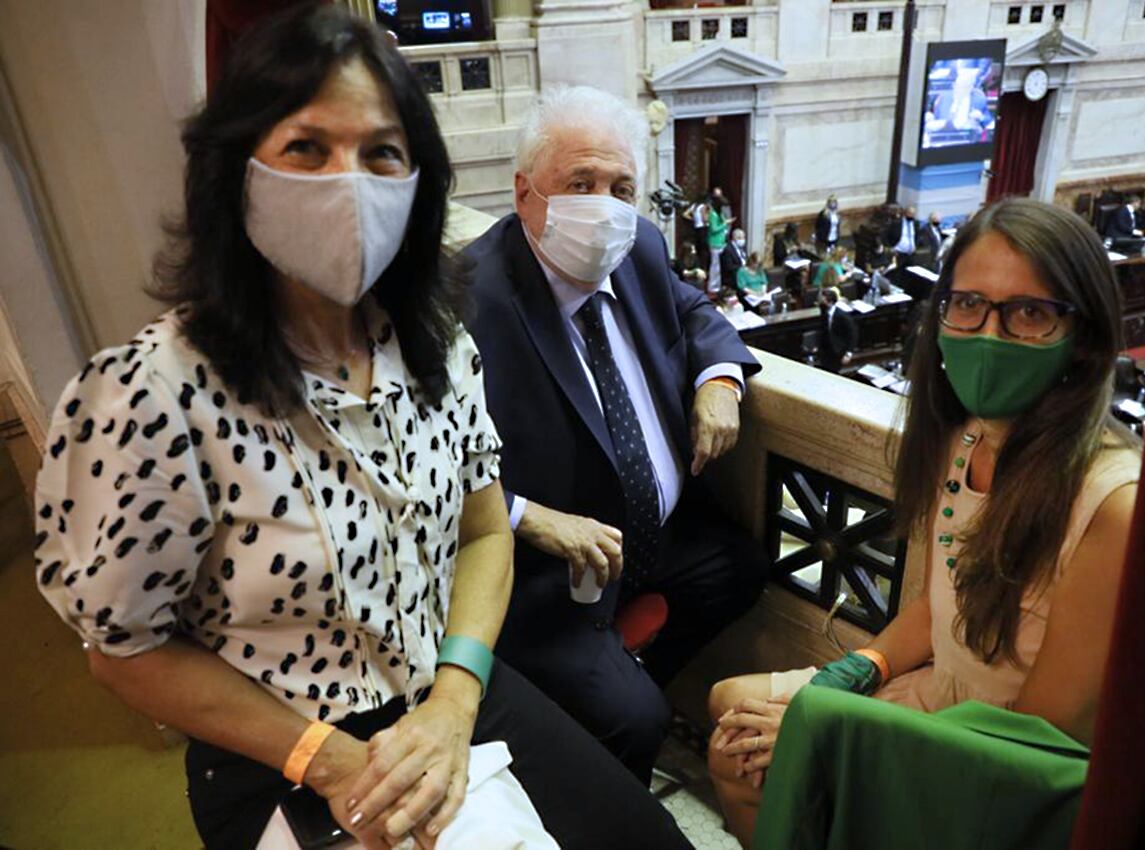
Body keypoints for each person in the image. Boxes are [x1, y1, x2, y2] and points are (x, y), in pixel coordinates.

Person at [31, 8, 692, 850]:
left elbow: (483, 531)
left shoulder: (439, 348)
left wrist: (455, 698)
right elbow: (122, 650)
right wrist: (334, 762)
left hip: (451, 690)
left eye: (382, 153)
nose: (349, 183)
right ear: (237, 172)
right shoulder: (151, 396)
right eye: (307, 148)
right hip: (278, 745)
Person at [706, 198, 1142, 848]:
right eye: (968, 305)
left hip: (998, 757)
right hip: (939, 700)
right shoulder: (964, 440)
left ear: (1082, 336)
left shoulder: (1112, 504)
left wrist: (833, 733)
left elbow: (1043, 738)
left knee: (742, 755)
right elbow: (938, 607)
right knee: (729, 705)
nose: (989, 335)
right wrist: (860, 669)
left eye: (1027, 313)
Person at [463, 85, 770, 784]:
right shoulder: (467, 300)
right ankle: (598, 772)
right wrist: (527, 517)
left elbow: (694, 308)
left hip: (646, 540)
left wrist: (719, 379)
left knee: (741, 568)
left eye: (621, 186)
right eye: (580, 183)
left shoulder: (638, 246)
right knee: (638, 720)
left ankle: (599, 697)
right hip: (543, 572)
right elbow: (425, 454)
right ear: (524, 193)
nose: (604, 205)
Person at [817, 287, 857, 372]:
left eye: (823, 300)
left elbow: (853, 334)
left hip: (838, 350)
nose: (820, 302)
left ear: (830, 302)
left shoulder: (843, 316)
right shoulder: (824, 311)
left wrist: (848, 353)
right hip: (826, 349)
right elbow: (823, 329)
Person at [706, 190, 734, 293]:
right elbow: (714, 229)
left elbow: (723, 221)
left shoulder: (719, 213)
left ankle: (719, 285)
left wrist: (726, 222)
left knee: (720, 266)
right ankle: (712, 286)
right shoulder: (713, 214)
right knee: (715, 266)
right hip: (715, 243)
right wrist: (725, 224)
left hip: (721, 241)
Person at [886, 204, 920, 281]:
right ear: (905, 213)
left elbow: (917, 236)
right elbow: (886, 235)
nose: (911, 216)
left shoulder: (915, 223)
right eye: (910, 214)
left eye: (913, 215)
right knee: (897, 274)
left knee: (910, 275)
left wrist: (916, 246)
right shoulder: (897, 223)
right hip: (899, 253)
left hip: (911, 254)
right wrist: (890, 247)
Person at [682, 193, 710, 272]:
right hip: (703, 228)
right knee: (704, 250)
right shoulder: (703, 207)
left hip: (696, 229)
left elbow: (684, 214)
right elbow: (705, 219)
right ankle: (704, 268)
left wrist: (693, 219)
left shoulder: (694, 206)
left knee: (698, 248)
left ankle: (697, 266)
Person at [721, 227, 749, 296]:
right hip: (732, 277)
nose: (743, 240)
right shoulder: (728, 250)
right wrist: (743, 268)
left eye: (743, 238)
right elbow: (729, 267)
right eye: (741, 238)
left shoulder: (741, 248)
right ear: (735, 238)